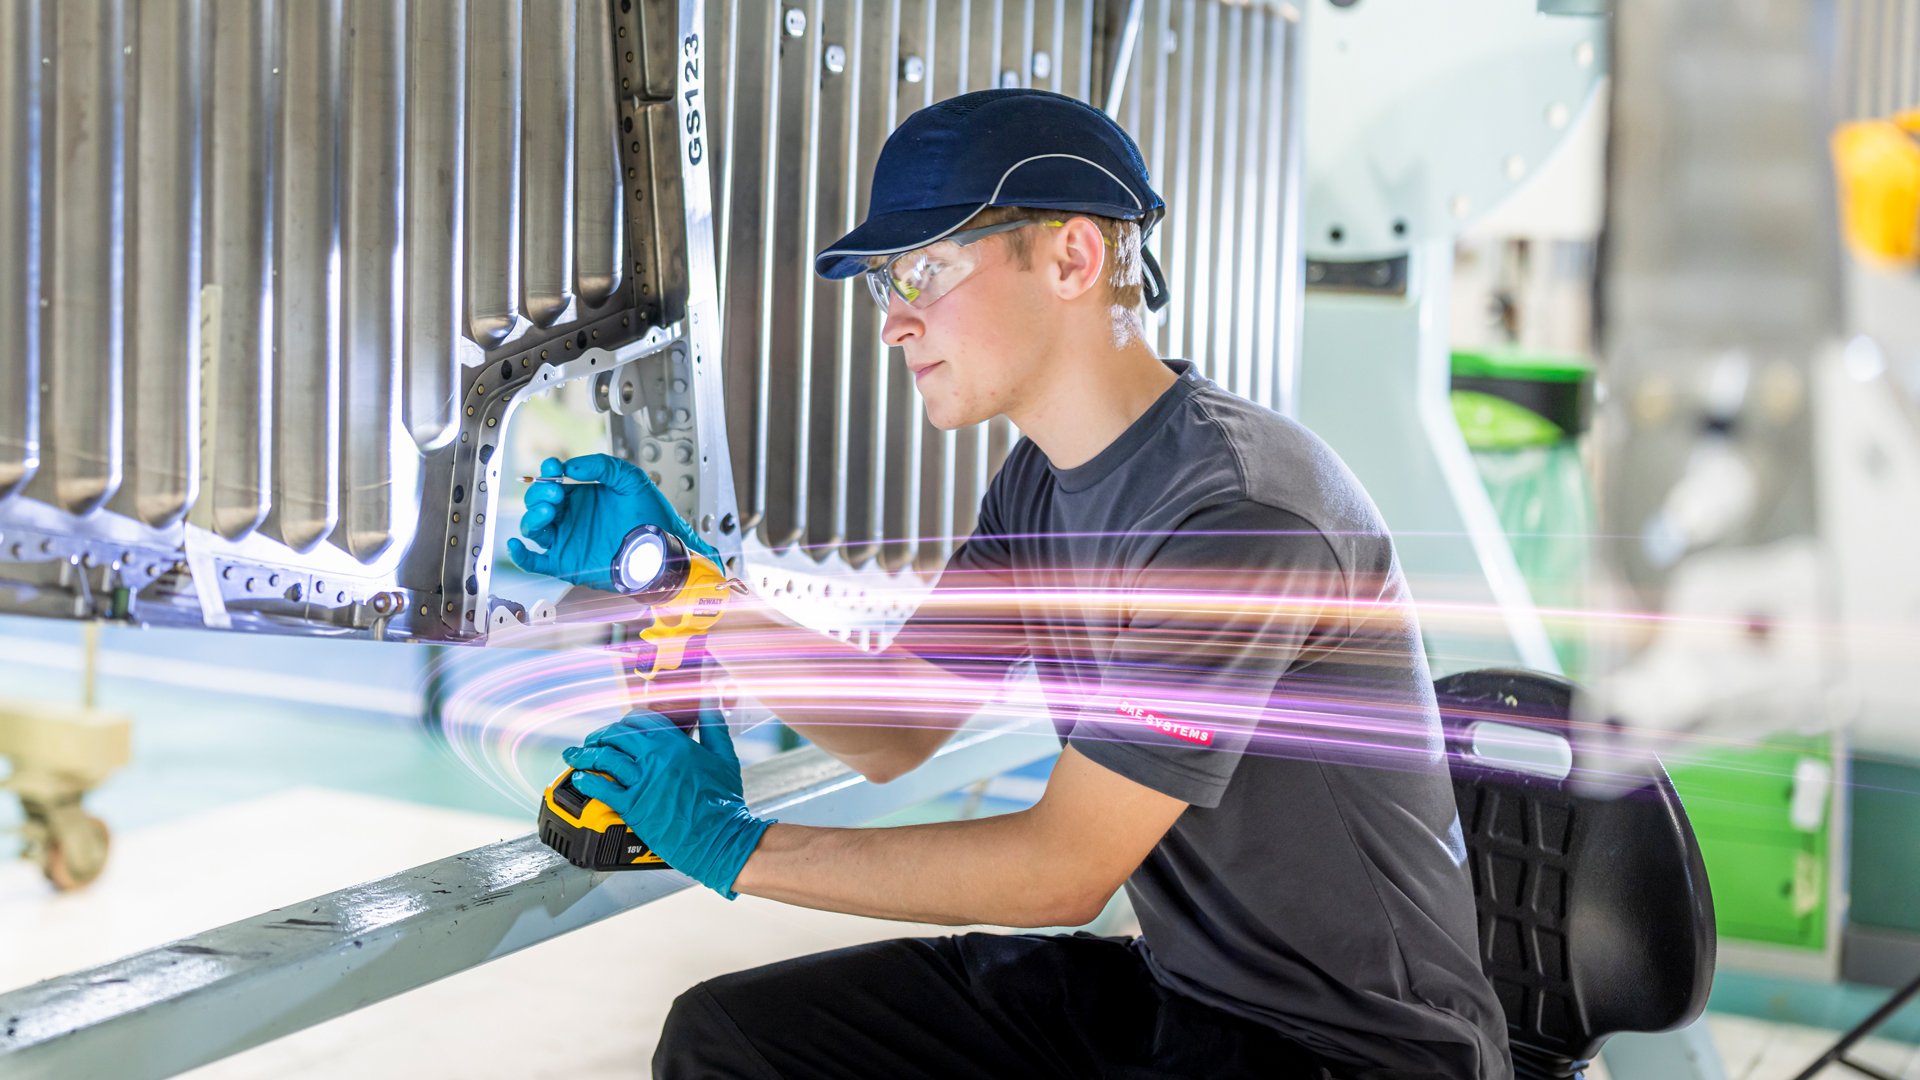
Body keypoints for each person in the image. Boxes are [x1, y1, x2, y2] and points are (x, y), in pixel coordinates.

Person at [510, 88, 1510, 1080]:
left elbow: (1062, 871)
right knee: (731, 1042)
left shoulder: (1236, 518)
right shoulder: (1044, 484)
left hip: (1352, 1058)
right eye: (883, 284)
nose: (894, 323)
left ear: (1073, 257)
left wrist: (731, 847)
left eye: (926, 269)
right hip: (1188, 1001)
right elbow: (898, 720)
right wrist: (689, 583)